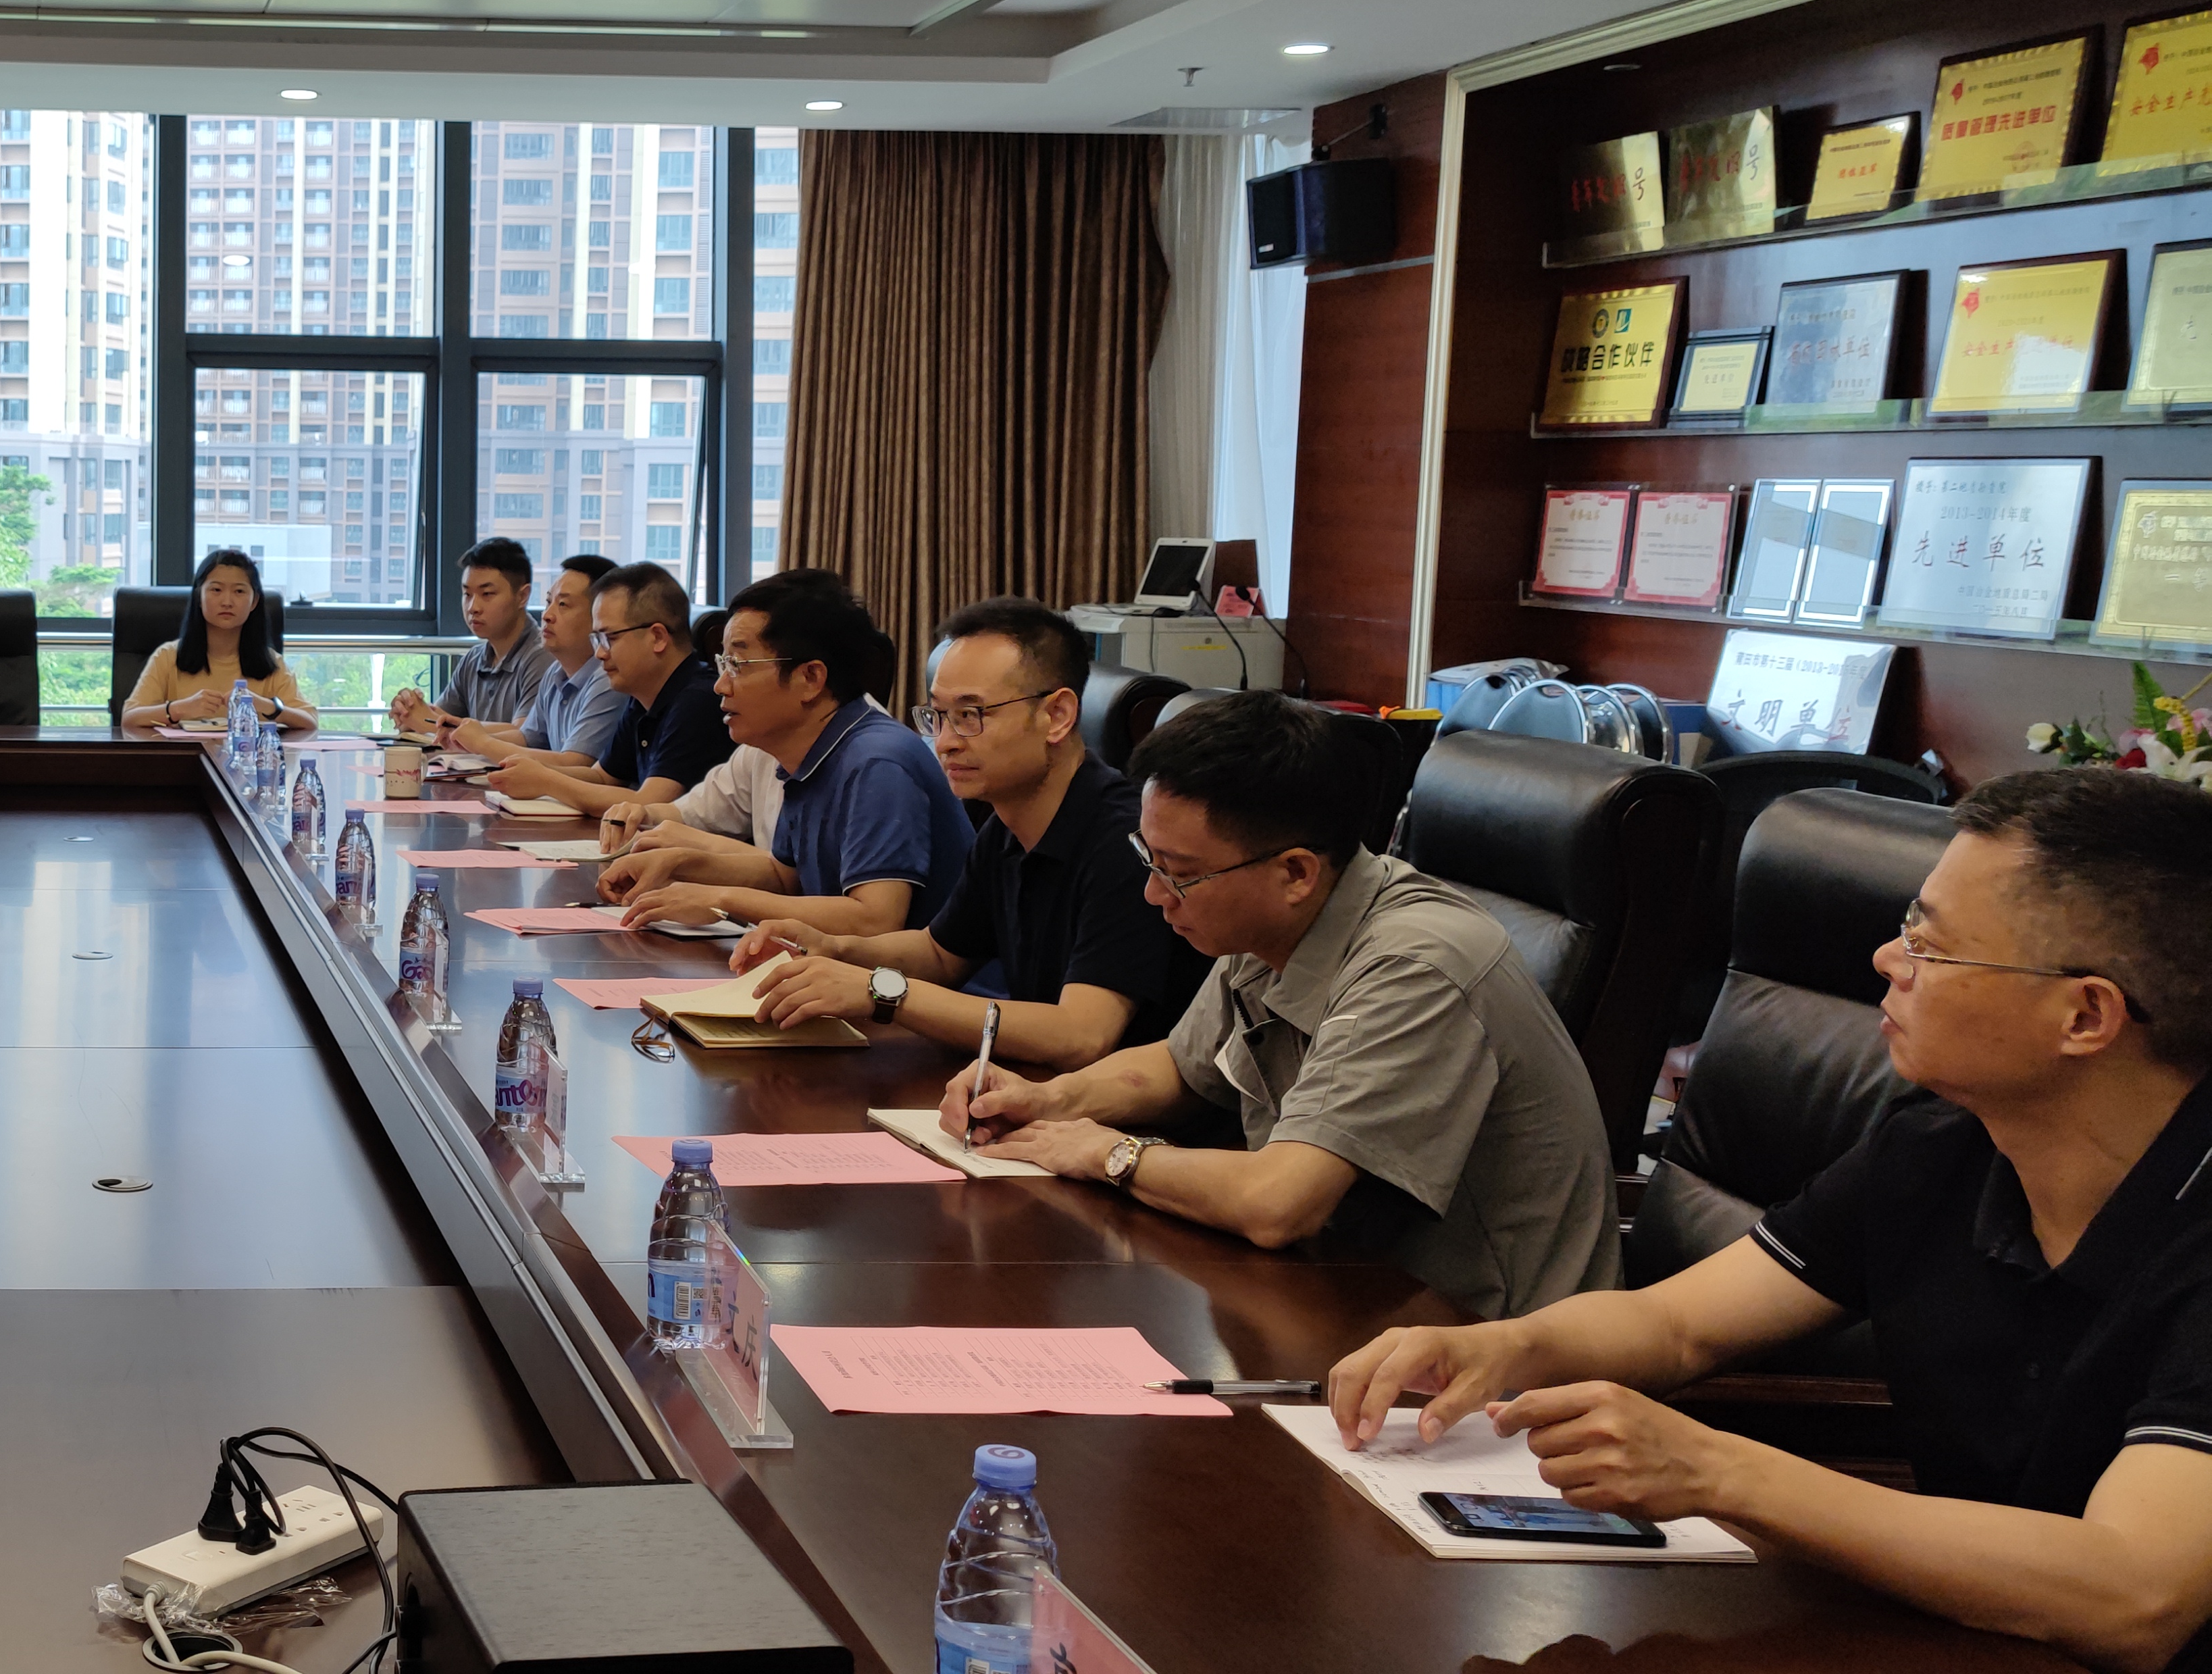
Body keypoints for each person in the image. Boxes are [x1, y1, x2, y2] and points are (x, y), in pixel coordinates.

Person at [1327, 769, 2212, 1674]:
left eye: (1931, 945)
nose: (1887, 959)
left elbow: (2135, 1595)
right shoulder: (1937, 1149)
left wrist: (1719, 1471)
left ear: (2085, 1015)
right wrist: (1506, 1346)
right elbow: (1675, 1326)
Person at [941, 689, 1618, 1321]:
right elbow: (1181, 1067)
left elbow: (1276, 1203)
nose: (1154, 895)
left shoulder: (1415, 967)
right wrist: (1047, 1101)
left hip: (1491, 1347)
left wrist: (1109, 1154)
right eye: (1150, 860)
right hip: (1344, 1291)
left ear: (1295, 872)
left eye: (1180, 874)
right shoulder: (1272, 919)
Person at [723, 597, 1210, 1071]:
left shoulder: (1126, 840)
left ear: (1057, 716)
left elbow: (1081, 1034)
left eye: (971, 715)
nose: (946, 742)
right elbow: (940, 954)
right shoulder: (1007, 824)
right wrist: (833, 948)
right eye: (938, 716)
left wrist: (881, 993)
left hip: (1128, 1111)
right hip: (1036, 1091)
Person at [601, 570, 961, 936]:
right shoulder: (805, 754)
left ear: (810, 679)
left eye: (738, 665)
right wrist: (679, 864)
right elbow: (786, 876)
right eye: (723, 664)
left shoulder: (877, 762)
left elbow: (875, 919)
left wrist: (720, 901)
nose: (720, 686)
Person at [478, 561, 730, 817]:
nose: (600, 653)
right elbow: (602, 777)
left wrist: (547, 781)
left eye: (610, 638)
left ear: (658, 637)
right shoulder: (643, 697)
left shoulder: (698, 701)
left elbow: (649, 804)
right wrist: (532, 771)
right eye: (597, 639)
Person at [454, 553, 628, 767]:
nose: (547, 615)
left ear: (600, 615)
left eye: (563, 604)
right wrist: (464, 739)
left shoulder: (608, 679)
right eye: (548, 602)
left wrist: (483, 743)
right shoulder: (555, 672)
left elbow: (575, 762)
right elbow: (527, 737)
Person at [123, 547, 317, 730]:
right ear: (199, 597)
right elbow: (130, 719)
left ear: (254, 602)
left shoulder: (271, 663)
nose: (227, 602)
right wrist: (180, 709)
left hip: (247, 755)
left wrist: (265, 706)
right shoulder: (168, 657)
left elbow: (310, 722)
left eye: (239, 591)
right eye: (216, 590)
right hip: (185, 754)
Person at [388, 539, 552, 740]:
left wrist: (431, 723)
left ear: (523, 596)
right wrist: (410, 715)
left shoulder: (544, 657)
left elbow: (525, 734)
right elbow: (438, 718)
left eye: (487, 594)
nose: (473, 607)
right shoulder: (474, 659)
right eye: (467, 594)